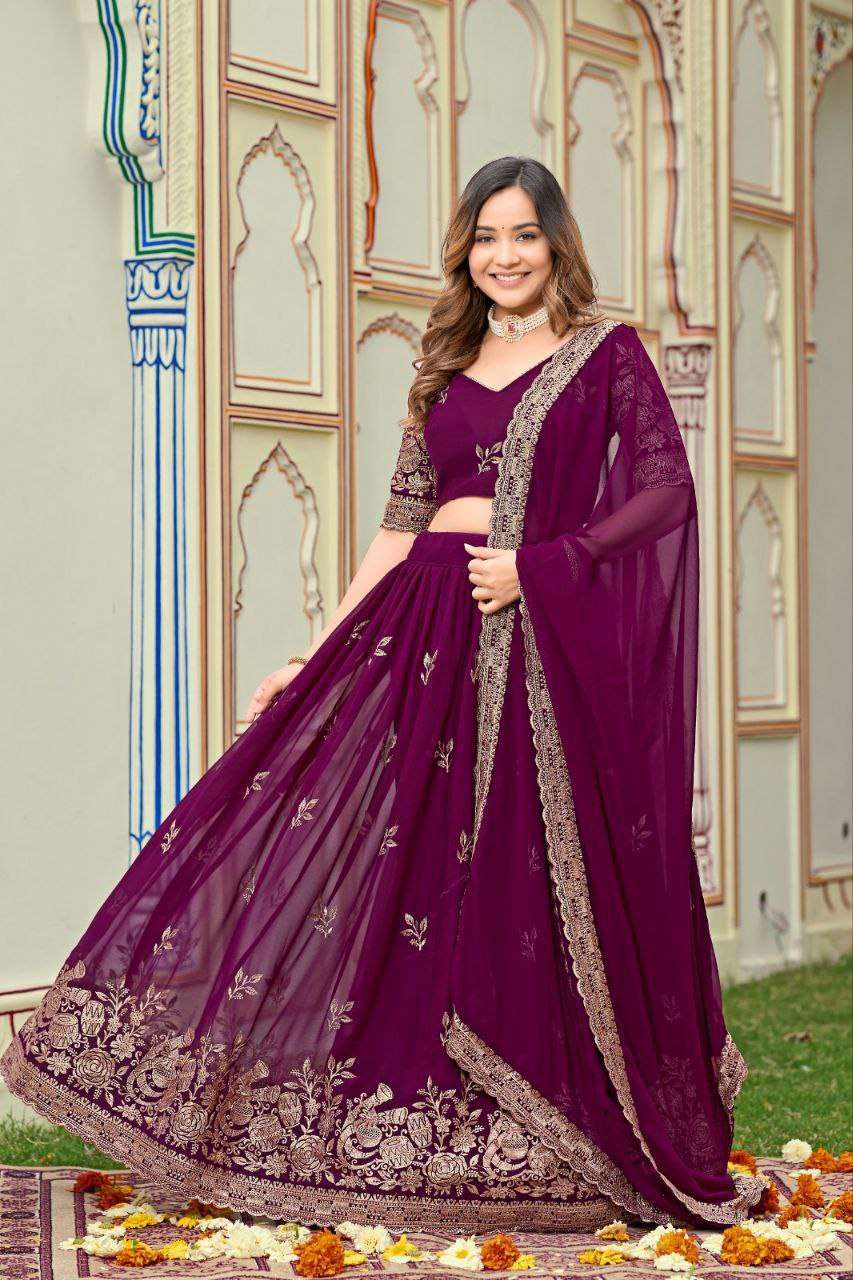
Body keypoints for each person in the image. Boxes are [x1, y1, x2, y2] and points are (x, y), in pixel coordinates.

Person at [0, 156, 765, 1234]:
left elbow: (664, 490)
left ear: (556, 242)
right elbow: (399, 528)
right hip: (422, 634)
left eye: (523, 234)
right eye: (484, 237)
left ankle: (544, 1131)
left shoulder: (604, 354)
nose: (502, 255)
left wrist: (547, 564)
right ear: (465, 251)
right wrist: (310, 657)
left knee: (525, 877)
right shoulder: (443, 365)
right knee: (418, 872)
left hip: (534, 644)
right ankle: (415, 1124)